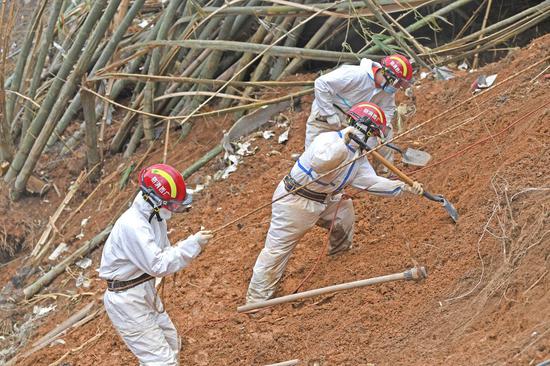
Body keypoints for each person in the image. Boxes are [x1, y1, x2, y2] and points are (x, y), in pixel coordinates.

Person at [246, 102, 423, 304]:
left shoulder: (358, 157)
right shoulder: (328, 140)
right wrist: (344, 143)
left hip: (324, 200)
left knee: (344, 212)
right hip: (295, 202)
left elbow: (371, 182)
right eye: (374, 134)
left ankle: (339, 258)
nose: (375, 140)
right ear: (364, 130)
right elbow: (321, 162)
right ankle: (256, 302)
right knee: (276, 252)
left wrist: (403, 187)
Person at [99, 163, 213, 366]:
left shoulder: (155, 217)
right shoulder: (134, 226)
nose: (174, 209)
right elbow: (158, 265)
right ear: (154, 199)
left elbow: (164, 252)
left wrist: (189, 244)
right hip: (127, 300)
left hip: (143, 288)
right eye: (172, 205)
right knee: (161, 362)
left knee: (171, 342)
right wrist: (192, 245)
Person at [304, 54, 413, 168]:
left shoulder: (386, 91)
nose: (398, 87)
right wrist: (329, 114)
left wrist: (380, 129)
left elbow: (388, 109)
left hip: (353, 122)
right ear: (389, 75)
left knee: (386, 134)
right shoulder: (355, 75)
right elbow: (321, 83)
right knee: (313, 158)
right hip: (324, 118)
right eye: (398, 83)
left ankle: (384, 173)